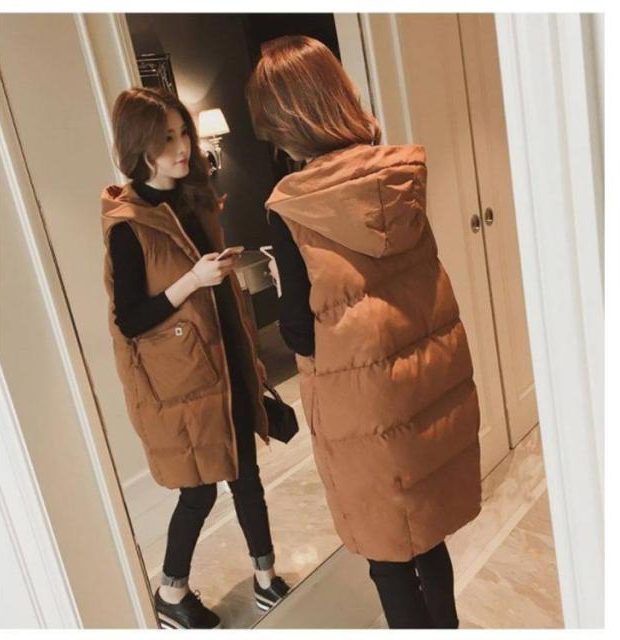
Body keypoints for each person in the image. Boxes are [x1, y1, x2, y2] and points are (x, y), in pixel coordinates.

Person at [246, 35, 482, 629]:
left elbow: (299, 333)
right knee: (426, 534)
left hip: (364, 406)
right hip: (423, 378)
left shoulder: (292, 207)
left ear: (287, 120)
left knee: (387, 554)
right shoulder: (398, 175)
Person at [100, 87, 290, 629]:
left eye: (183, 132)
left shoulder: (194, 200)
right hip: (183, 383)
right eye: (166, 138)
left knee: (247, 477)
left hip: (226, 364)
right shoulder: (128, 225)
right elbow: (130, 319)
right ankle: (171, 592)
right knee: (199, 491)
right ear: (138, 145)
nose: (182, 147)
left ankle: (265, 578)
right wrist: (193, 280)